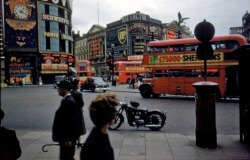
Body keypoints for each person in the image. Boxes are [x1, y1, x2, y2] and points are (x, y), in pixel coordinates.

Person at [80, 93, 118, 160]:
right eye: (114, 112)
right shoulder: (95, 147)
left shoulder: (101, 135)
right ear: (109, 117)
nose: (115, 115)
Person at [52, 80, 78, 160]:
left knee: (66, 157)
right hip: (66, 138)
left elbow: (69, 122)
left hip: (67, 139)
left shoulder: (68, 102)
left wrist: (68, 139)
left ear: (64, 89)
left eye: (59, 88)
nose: (57, 90)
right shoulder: (68, 100)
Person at [71, 79, 86, 144]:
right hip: (78, 112)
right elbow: (82, 103)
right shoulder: (79, 93)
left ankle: (73, 139)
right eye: (78, 84)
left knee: (73, 126)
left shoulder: (70, 92)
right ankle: (79, 141)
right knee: (79, 127)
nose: (79, 85)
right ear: (76, 86)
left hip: (72, 112)